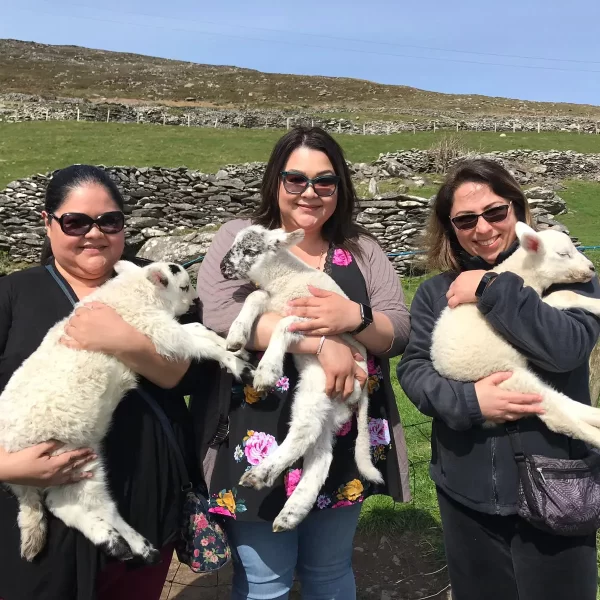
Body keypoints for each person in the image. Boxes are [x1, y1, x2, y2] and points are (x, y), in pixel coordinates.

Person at [195, 126, 411, 600]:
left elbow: (397, 330)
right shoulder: (242, 237)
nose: (310, 192)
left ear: (340, 187)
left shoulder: (361, 249)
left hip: (339, 418)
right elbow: (218, 313)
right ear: (276, 180)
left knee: (330, 572)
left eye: (325, 181)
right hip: (252, 428)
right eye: (296, 179)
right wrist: (318, 343)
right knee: (264, 582)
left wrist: (353, 317)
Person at [397, 158, 600, 600]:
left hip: (557, 483)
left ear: (517, 210)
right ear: (451, 228)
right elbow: (413, 369)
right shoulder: (438, 292)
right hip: (465, 487)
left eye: (495, 212)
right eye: (466, 219)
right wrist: (471, 402)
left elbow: (565, 349)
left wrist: (491, 289)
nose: (484, 228)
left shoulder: (572, 279)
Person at [0, 164, 200, 600]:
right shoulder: (13, 296)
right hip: (46, 511)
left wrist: (122, 340)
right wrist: (9, 466)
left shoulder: (156, 281)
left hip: (146, 503)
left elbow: (189, 373)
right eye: (76, 221)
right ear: (48, 223)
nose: (94, 234)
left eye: (109, 221)